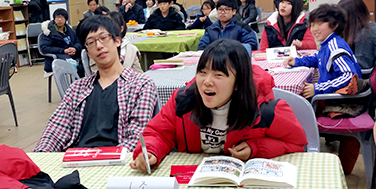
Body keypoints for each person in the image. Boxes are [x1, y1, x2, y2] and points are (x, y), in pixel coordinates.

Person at [130, 39, 306, 170]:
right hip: (193, 184)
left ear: (238, 82)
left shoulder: (265, 110)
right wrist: (150, 152)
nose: (207, 81)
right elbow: (158, 133)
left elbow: (297, 145)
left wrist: (256, 148)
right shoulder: (183, 101)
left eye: (218, 75)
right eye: (202, 72)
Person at [35, 15, 157, 152]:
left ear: (117, 41)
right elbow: (54, 131)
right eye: (91, 42)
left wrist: (106, 158)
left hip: (119, 160)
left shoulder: (141, 85)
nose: (99, 46)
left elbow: (137, 137)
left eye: (103, 38)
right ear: (88, 52)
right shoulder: (77, 89)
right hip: (78, 158)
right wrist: (41, 155)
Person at [283, 4, 361, 99]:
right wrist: (297, 61)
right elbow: (317, 58)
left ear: (334, 25)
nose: (314, 29)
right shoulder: (327, 43)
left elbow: (349, 76)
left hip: (341, 100)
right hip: (330, 95)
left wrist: (318, 88)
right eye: (312, 25)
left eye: (319, 24)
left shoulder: (335, 47)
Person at [338, 0, 376, 71]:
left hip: (363, 77)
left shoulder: (364, 36)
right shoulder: (370, 27)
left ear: (351, 18)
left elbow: (361, 68)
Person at [39, 8, 84, 76]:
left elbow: (78, 42)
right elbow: (44, 47)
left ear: (66, 19)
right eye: (57, 17)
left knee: (81, 61)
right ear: (54, 19)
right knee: (71, 63)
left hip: (71, 55)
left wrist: (75, 48)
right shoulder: (48, 32)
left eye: (62, 17)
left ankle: (80, 81)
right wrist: (63, 51)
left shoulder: (70, 30)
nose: (59, 20)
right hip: (55, 58)